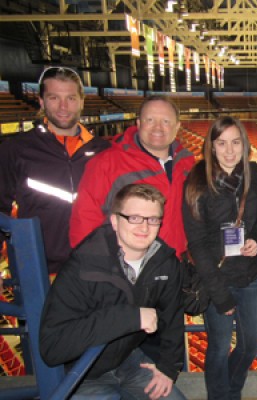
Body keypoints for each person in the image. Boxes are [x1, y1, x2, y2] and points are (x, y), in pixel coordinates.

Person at [40, 184, 186, 399]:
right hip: (83, 372)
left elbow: (172, 318)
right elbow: (52, 348)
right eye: (134, 218)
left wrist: (168, 368)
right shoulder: (84, 265)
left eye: (153, 219)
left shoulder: (165, 263)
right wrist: (130, 317)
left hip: (129, 360)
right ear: (115, 221)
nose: (144, 227)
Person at [183, 116, 257, 400]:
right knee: (218, 347)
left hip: (250, 276)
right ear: (211, 146)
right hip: (216, 279)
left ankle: (230, 390)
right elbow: (197, 243)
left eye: (235, 142)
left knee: (251, 343)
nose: (229, 150)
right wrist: (219, 294)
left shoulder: (254, 175)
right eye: (221, 143)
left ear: (244, 144)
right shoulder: (197, 181)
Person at [0, 66, 109, 274]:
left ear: (81, 101)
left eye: (70, 98)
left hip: (98, 269)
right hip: (40, 272)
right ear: (41, 102)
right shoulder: (16, 150)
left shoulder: (104, 151)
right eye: (54, 98)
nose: (63, 107)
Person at [70, 95, 195, 258]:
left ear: (177, 126)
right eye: (150, 120)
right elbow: (84, 221)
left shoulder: (187, 163)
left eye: (166, 121)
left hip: (177, 267)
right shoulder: (106, 163)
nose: (158, 128)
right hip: (125, 272)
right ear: (138, 123)